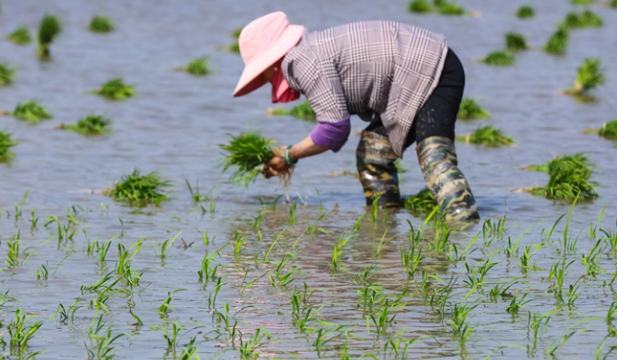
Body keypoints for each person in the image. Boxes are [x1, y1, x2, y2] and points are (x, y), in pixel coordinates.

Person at [232, 11, 479, 222]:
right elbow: (335, 126)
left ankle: (465, 231)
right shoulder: (305, 54)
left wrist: (289, 154)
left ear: (270, 62)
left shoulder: (301, 61)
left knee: (434, 155)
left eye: (259, 73)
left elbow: (334, 128)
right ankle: (383, 226)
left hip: (434, 69)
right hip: (408, 83)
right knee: (373, 153)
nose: (262, 80)